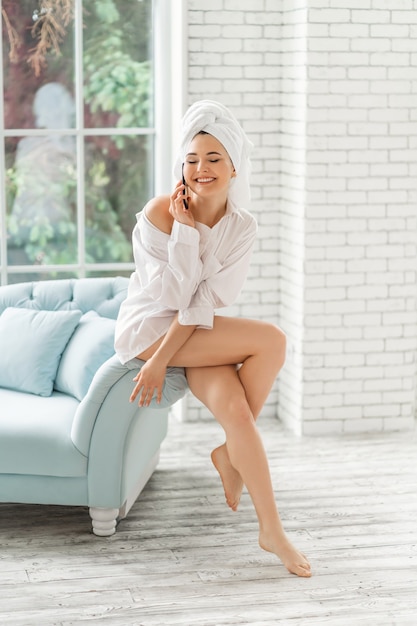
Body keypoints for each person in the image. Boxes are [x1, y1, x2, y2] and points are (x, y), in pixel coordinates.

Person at [115, 100, 311, 578]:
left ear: (234, 166)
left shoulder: (241, 226)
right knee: (271, 340)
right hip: (150, 329)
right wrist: (184, 232)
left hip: (193, 329)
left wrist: (171, 356)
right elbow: (173, 294)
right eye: (192, 159)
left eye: (214, 158)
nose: (201, 169)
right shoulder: (160, 212)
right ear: (181, 164)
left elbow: (209, 300)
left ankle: (269, 528)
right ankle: (231, 457)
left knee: (239, 412)